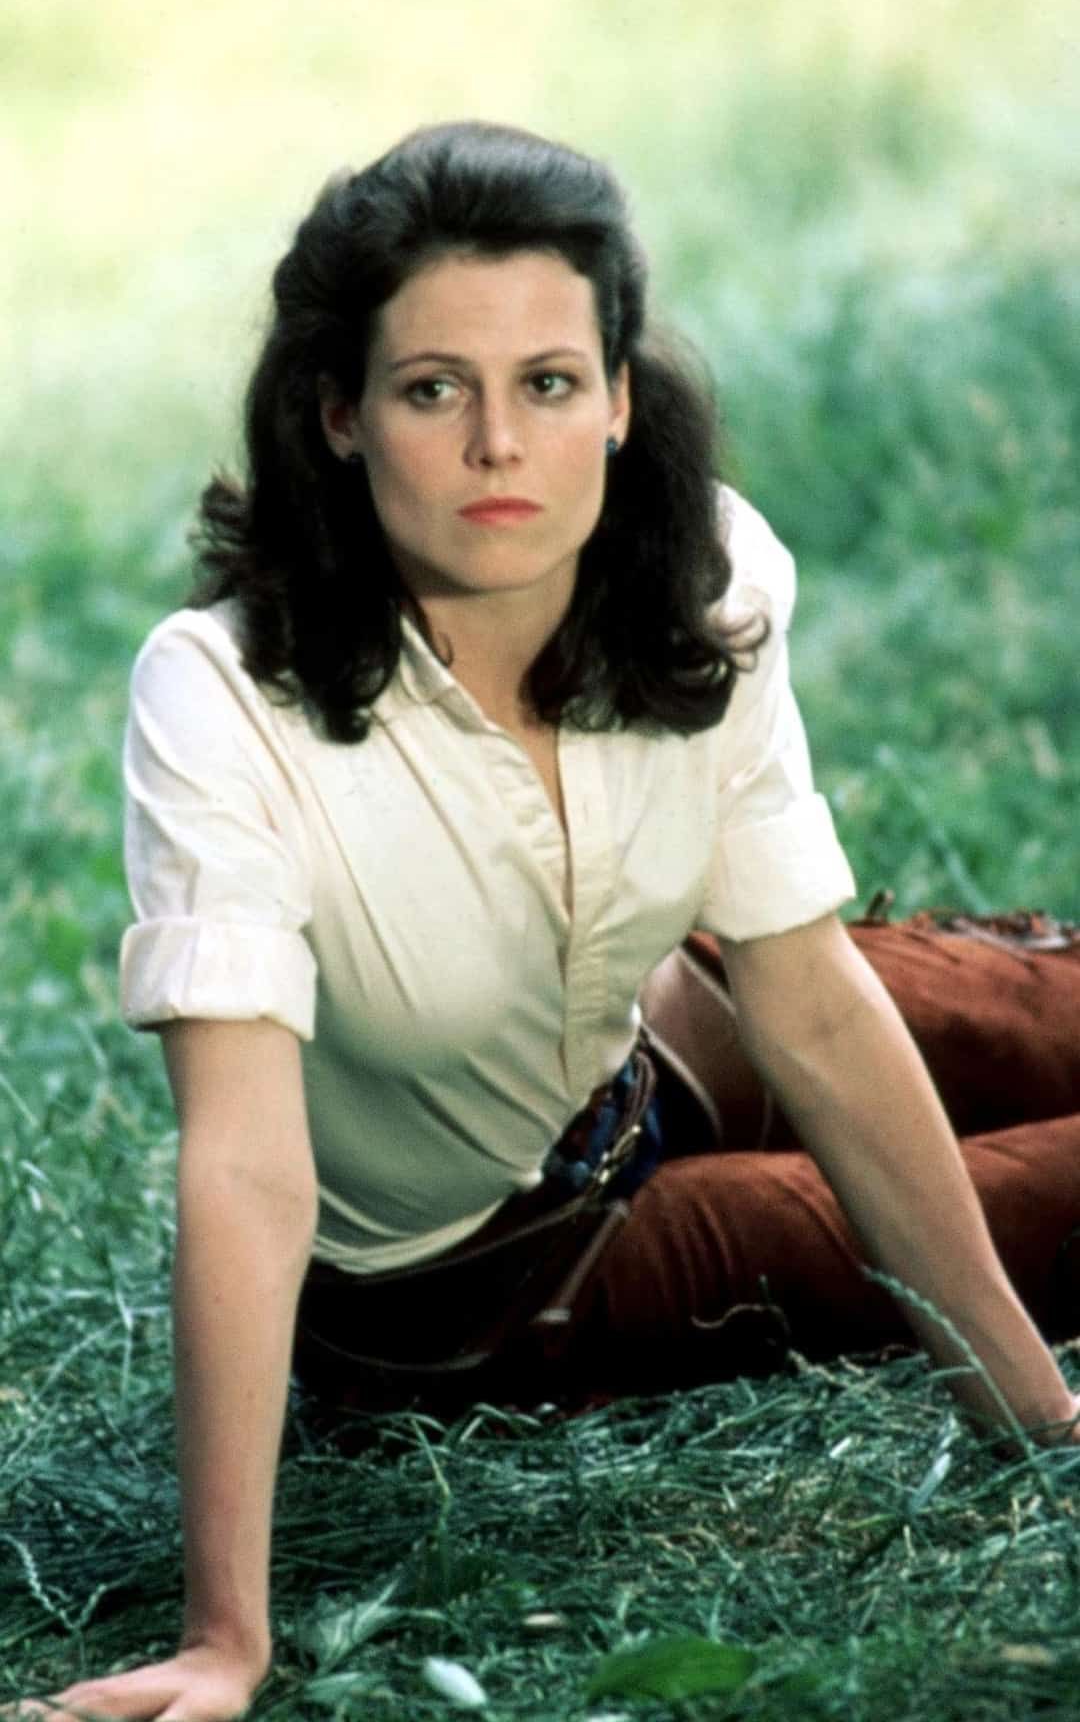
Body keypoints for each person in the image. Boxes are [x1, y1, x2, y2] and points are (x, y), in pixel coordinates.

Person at [25, 122, 1080, 1721]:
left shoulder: (705, 571)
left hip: (661, 1029)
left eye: (549, 382)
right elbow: (242, 1164)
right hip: (485, 1267)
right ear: (339, 415)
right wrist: (225, 1638)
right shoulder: (223, 696)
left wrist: (1020, 1410)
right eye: (432, 389)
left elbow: (806, 1000)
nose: (499, 445)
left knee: (1032, 1010)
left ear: (620, 397)